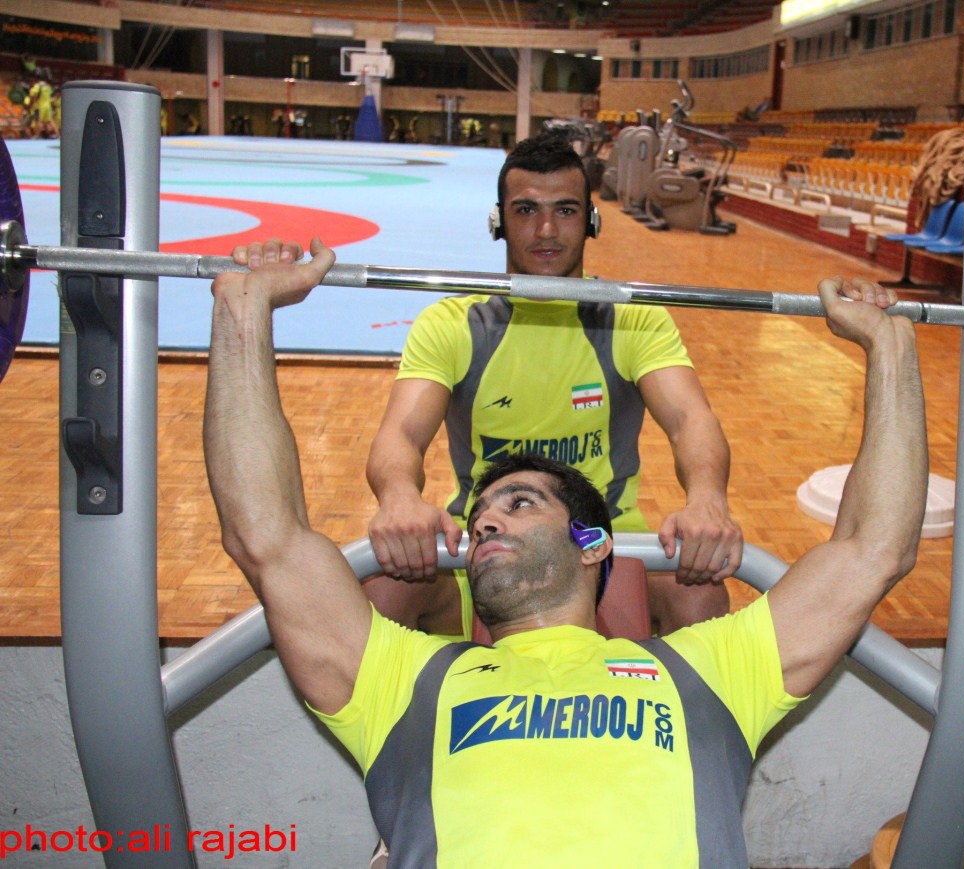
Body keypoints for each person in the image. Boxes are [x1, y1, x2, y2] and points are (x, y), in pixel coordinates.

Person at [204, 238, 927, 864]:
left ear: (592, 544)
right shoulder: (404, 681)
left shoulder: (705, 671)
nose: (486, 523)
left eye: (519, 503)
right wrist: (245, 310)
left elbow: (873, 549)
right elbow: (267, 537)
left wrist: (890, 345)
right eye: (481, 514)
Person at [361, 132, 741, 637]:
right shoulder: (453, 323)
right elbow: (402, 434)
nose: (546, 230)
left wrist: (708, 498)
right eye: (525, 210)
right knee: (386, 589)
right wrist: (398, 496)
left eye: (565, 210)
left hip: (600, 541)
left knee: (699, 594)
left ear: (591, 221)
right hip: (490, 539)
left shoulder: (632, 320)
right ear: (498, 221)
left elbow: (690, 419)